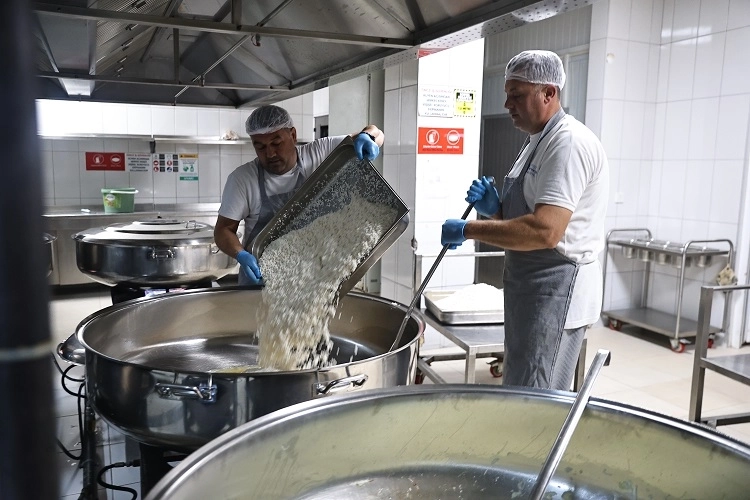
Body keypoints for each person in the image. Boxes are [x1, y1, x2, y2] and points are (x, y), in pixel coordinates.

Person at [441, 50, 609, 391]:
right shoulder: (536, 141)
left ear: (548, 93)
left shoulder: (567, 144)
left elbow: (546, 231)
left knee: (537, 399)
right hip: (532, 292)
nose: (507, 104)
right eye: (508, 94)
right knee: (522, 388)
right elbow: (527, 216)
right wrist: (495, 210)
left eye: (516, 95)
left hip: (556, 292)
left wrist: (469, 229)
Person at [214, 104, 384, 285]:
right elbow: (223, 230)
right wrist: (240, 254)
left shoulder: (319, 153)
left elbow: (377, 132)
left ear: (293, 135)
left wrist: (368, 137)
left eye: (276, 143)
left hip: (312, 279)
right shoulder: (242, 179)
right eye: (260, 146)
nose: (270, 153)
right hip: (262, 281)